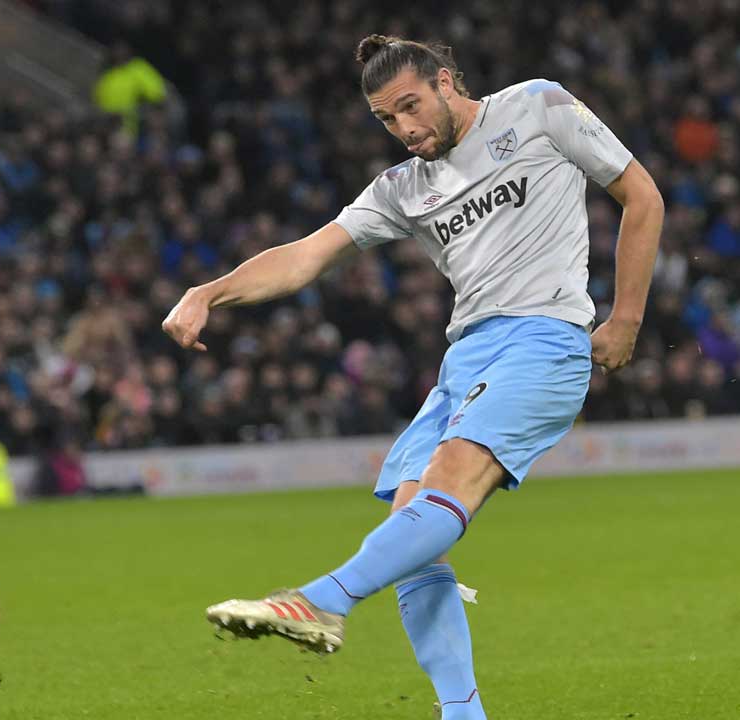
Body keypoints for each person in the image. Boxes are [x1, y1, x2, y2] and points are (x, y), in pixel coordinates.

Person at [162, 35, 663, 720]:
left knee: (450, 480)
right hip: (465, 362)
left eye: (410, 107)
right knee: (408, 530)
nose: (405, 129)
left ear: (446, 82)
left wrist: (625, 319)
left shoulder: (538, 106)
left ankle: (318, 602)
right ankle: (462, 713)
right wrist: (209, 292)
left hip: (543, 339)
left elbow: (641, 196)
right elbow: (307, 256)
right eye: (387, 119)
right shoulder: (404, 188)